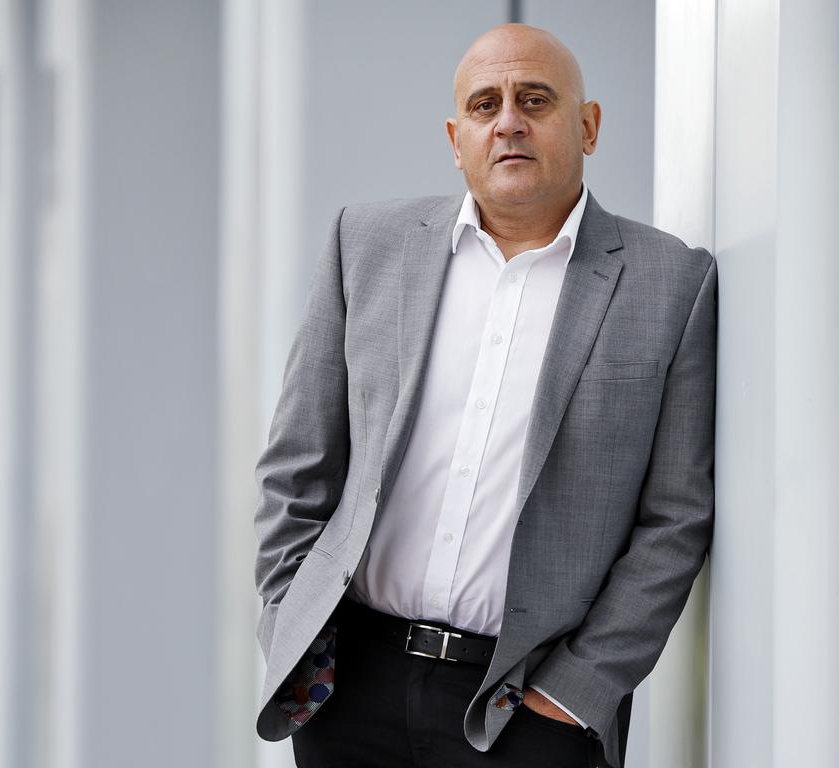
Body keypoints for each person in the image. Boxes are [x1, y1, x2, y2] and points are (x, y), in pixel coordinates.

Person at [253, 22, 718, 768]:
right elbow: (297, 464)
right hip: (351, 691)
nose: (508, 120)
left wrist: (578, 690)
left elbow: (676, 518)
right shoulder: (366, 244)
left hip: (527, 711)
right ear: (456, 136)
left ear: (588, 126)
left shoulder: (672, 285)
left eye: (535, 99)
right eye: (485, 104)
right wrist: (291, 621)